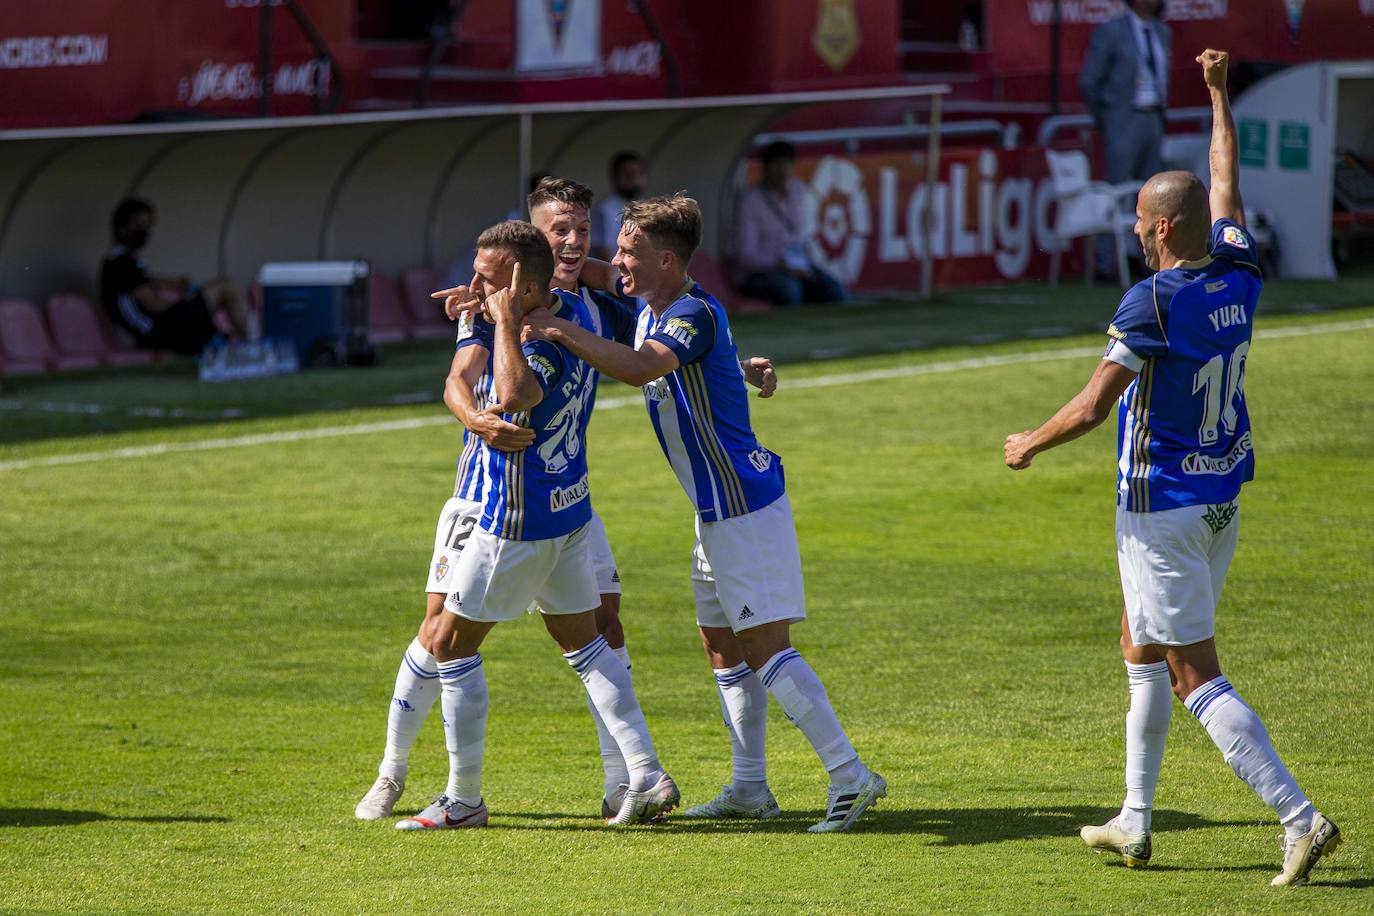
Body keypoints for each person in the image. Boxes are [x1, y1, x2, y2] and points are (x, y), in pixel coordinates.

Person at [1003, 50, 1340, 887]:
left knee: (1194, 673)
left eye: (1139, 223)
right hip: (1222, 494)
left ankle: (1298, 816)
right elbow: (1226, 181)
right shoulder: (1239, 266)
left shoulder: (1150, 301)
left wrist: (1028, 443)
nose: (1133, 231)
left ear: (1156, 231)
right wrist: (1219, 97)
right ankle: (1136, 818)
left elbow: (1092, 406)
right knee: (1139, 641)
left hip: (1163, 506)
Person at [526, 194, 884, 833]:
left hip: (744, 506)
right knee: (723, 648)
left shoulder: (686, 313)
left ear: (666, 258)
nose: (617, 261)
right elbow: (618, 302)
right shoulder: (655, 304)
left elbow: (642, 370)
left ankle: (850, 774)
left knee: (767, 648)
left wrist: (560, 330)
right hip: (713, 511)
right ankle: (750, 787)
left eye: (630, 251)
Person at [394, 221, 678, 830]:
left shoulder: (533, 340)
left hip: (520, 519)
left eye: (489, 278)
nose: (476, 285)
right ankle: (645, 772)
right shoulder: (565, 309)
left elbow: (518, 393)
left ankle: (463, 800)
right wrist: (485, 306)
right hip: (571, 512)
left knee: (448, 644)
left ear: (522, 283)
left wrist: (499, 321)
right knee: (587, 647)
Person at [1078, 0, 1171, 277]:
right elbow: (1089, 80)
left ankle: (1150, 259)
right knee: (1116, 191)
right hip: (1123, 118)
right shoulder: (1111, 31)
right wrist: (1107, 116)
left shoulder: (1162, 32)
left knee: (1154, 193)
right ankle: (1108, 263)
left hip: (1153, 117)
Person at [99, 198, 250, 355]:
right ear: (121, 226)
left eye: (147, 224)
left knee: (220, 328)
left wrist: (173, 284)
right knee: (226, 288)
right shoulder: (121, 263)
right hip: (156, 334)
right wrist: (187, 300)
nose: (144, 230)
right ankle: (254, 346)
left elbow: (146, 280)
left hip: (159, 331)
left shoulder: (122, 262)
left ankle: (240, 346)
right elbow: (154, 304)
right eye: (137, 223)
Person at [733, 141, 845, 307]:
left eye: (787, 164)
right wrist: (779, 264)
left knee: (834, 290)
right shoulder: (750, 201)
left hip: (796, 266)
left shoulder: (799, 191)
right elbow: (746, 256)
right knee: (790, 290)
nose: (783, 170)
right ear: (766, 167)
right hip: (759, 273)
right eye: (777, 164)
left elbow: (803, 237)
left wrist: (803, 264)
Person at [591, 152, 645, 261]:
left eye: (636, 173)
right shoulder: (603, 210)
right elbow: (601, 251)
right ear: (614, 176)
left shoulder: (645, 208)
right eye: (626, 173)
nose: (632, 178)